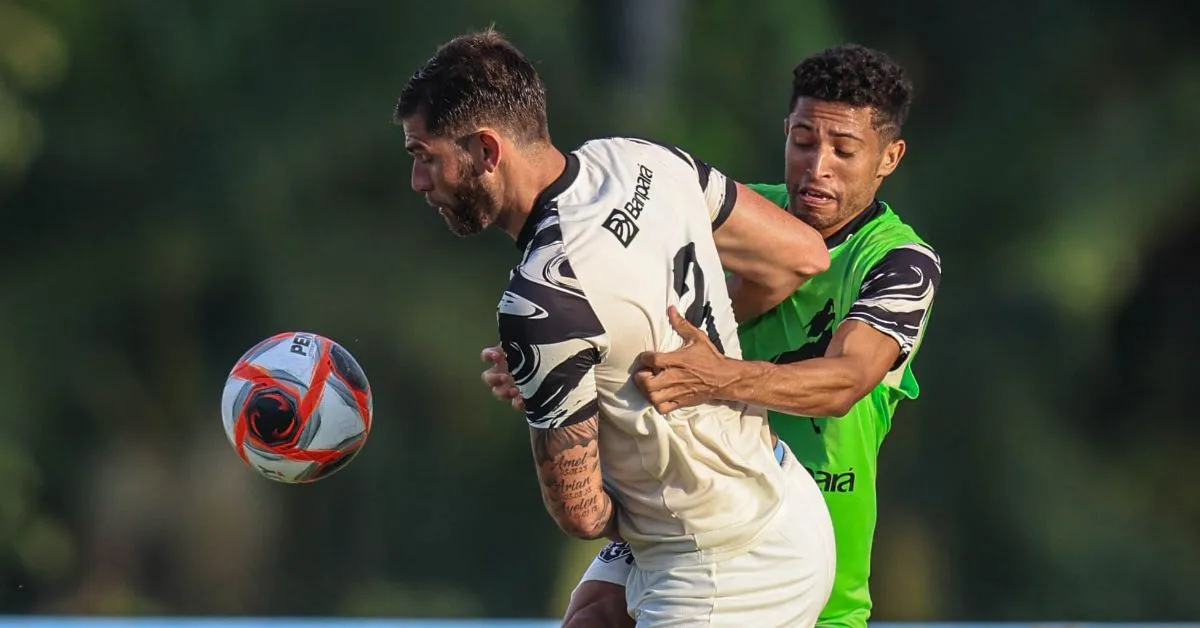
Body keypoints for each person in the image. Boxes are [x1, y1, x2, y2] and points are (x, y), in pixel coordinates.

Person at [482, 44, 941, 628]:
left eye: (844, 150)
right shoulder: (745, 215)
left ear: (889, 157)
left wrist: (722, 377)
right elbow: (642, 318)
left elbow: (845, 382)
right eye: (803, 141)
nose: (817, 165)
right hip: (694, 501)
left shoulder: (900, 262)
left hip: (801, 533)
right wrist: (554, 364)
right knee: (591, 615)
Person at [398, 28, 836, 627]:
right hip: (788, 504)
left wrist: (555, 391)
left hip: (720, 572)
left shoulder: (542, 300)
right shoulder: (640, 160)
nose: (421, 182)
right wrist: (601, 367)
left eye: (425, 157)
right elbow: (801, 256)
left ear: (487, 150)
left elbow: (581, 515)